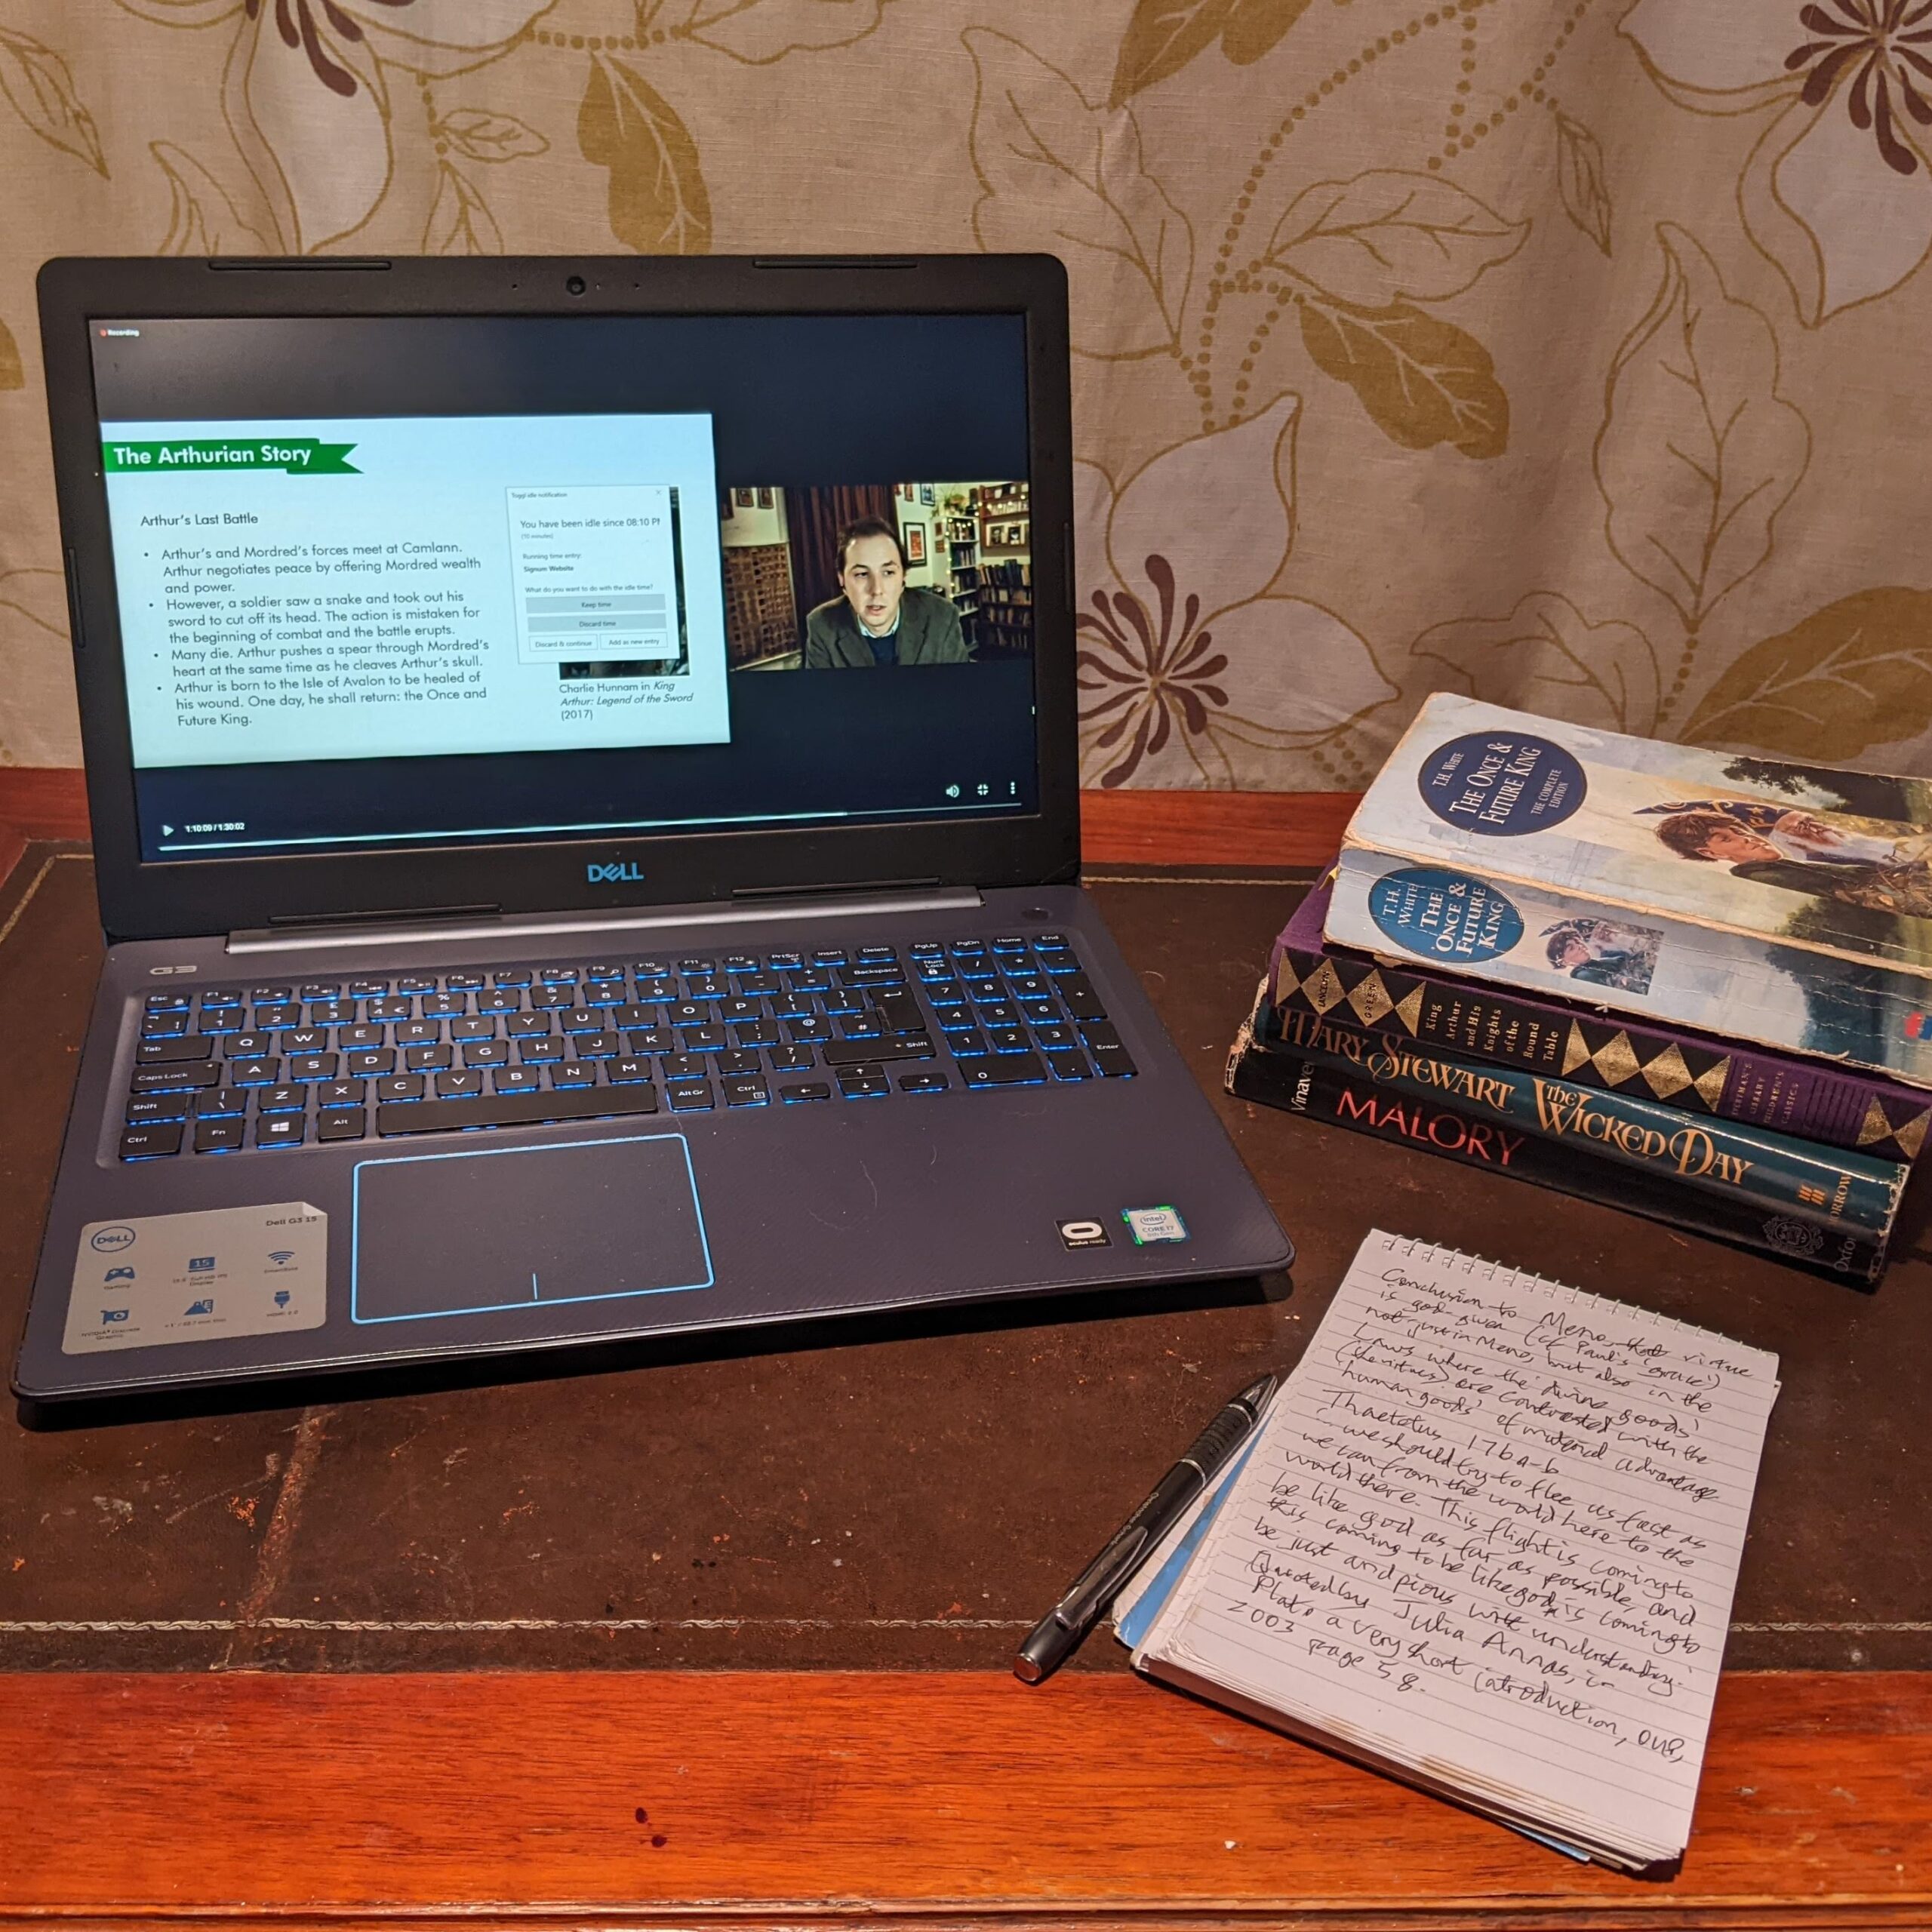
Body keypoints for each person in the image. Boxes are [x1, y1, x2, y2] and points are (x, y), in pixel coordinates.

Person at [1650, 808, 1932, 918]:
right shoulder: (1762, 879)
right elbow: (1865, 893)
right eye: (1726, 839)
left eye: (1739, 830)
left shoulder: (1778, 867)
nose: (1748, 838)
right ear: (1711, 854)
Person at [802, 518, 969, 668]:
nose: (876, 590)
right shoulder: (821, 625)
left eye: (888, 572)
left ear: (903, 577)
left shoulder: (943, 617)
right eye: (862, 574)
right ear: (842, 580)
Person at [1540, 918, 1659, 993]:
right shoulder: (1583, 976)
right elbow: (1622, 985)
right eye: (1571, 948)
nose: (1579, 946)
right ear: (1563, 962)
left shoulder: (1598, 961)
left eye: (1578, 942)